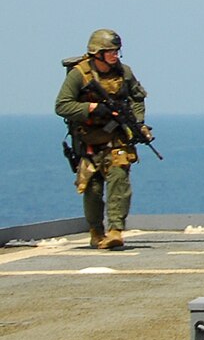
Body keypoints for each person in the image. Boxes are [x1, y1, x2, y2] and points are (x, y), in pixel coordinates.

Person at [54, 29, 151, 250]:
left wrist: (138, 122)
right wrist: (93, 108)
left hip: (116, 137)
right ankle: (96, 231)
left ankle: (116, 229)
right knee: (93, 188)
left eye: (117, 51)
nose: (115, 55)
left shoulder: (124, 73)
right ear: (97, 53)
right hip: (89, 140)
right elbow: (62, 105)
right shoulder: (79, 75)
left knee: (119, 178)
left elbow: (137, 97)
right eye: (110, 52)